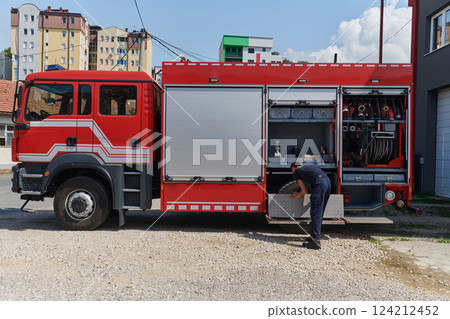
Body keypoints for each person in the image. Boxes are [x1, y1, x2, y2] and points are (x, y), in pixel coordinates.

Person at [289, 163, 331, 249]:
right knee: (320, 212)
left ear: (293, 168)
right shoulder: (308, 167)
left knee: (316, 212)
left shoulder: (296, 172)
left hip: (319, 184)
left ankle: (316, 241)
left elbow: (304, 190)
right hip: (327, 182)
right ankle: (313, 236)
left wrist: (297, 194)